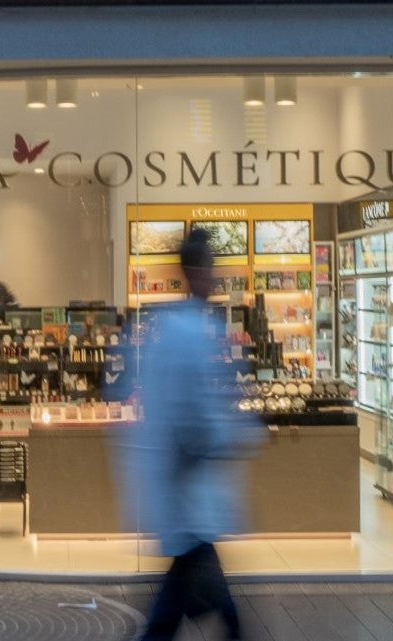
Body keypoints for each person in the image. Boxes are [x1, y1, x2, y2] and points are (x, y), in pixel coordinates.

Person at [126, 227, 261, 640]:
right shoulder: (190, 333)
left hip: (180, 484)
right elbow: (192, 417)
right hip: (187, 483)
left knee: (185, 583)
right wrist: (231, 437)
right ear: (197, 272)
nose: (215, 279)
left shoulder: (175, 328)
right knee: (193, 581)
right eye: (212, 270)